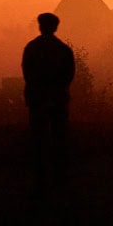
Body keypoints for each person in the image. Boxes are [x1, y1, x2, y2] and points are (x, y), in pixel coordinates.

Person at [21, 12, 76, 196]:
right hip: (58, 99)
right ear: (55, 27)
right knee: (60, 137)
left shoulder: (32, 48)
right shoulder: (63, 50)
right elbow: (69, 75)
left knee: (39, 139)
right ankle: (60, 176)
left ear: (40, 26)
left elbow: (27, 73)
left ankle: (40, 178)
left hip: (38, 99)